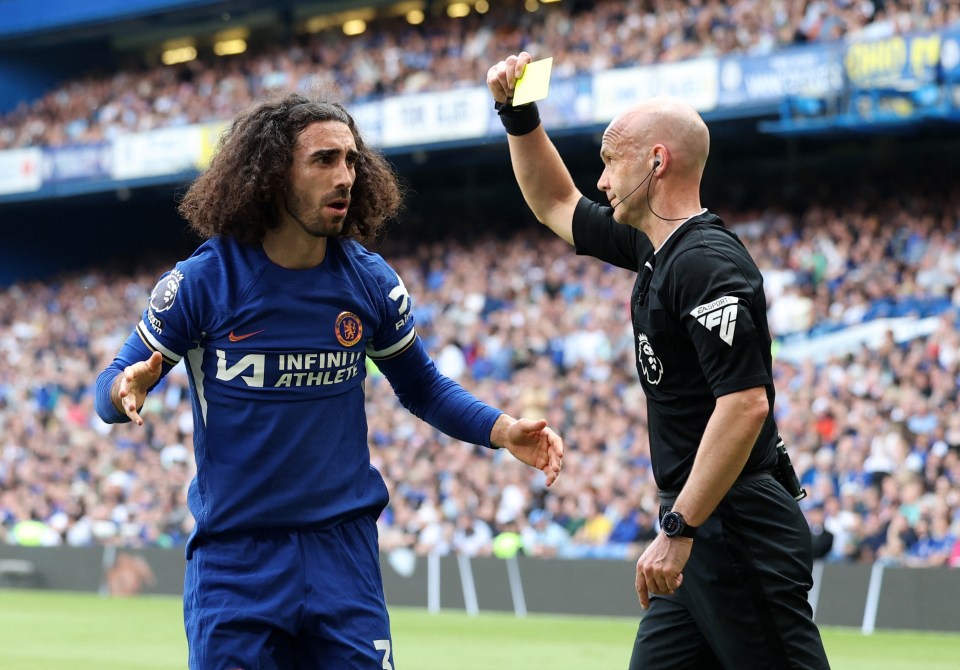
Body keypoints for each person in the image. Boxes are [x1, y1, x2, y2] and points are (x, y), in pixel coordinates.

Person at [94, 90, 563, 670]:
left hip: (342, 555)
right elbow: (109, 386)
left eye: (350, 160)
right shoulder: (204, 281)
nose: (345, 176)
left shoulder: (368, 281)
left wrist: (502, 429)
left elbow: (422, 387)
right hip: (237, 560)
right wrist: (124, 391)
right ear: (270, 175)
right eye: (323, 160)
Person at [487, 53, 829, 669]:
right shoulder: (653, 247)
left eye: (610, 160)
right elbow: (554, 203)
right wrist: (518, 114)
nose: (601, 181)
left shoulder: (705, 262)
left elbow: (746, 403)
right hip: (697, 525)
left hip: (734, 527)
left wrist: (679, 529)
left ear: (656, 160)